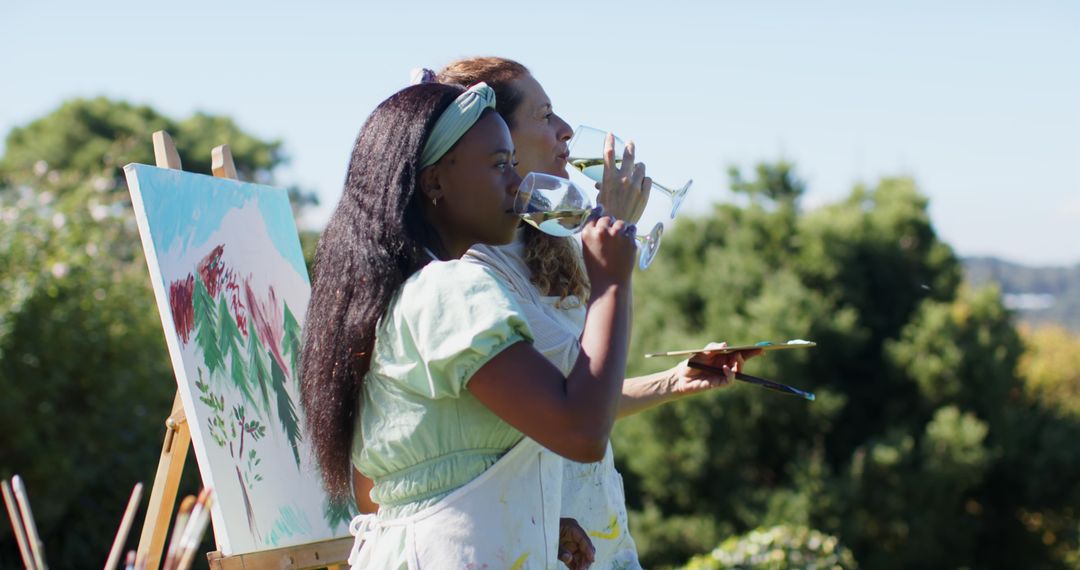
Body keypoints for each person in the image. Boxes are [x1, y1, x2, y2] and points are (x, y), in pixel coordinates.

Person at [430, 57, 761, 568]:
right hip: (530, 543)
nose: (565, 130)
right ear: (495, 140)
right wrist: (614, 239)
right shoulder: (470, 273)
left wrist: (676, 380)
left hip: (591, 530)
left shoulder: (542, 249)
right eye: (544, 117)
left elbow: (587, 393)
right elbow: (573, 403)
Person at [300, 81, 640, 569]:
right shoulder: (448, 290)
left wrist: (531, 516)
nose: (516, 182)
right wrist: (610, 282)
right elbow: (582, 432)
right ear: (435, 183)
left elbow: (410, 485)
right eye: (500, 164)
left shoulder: (399, 295)